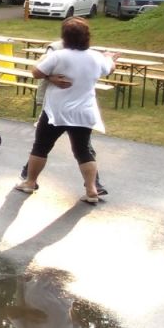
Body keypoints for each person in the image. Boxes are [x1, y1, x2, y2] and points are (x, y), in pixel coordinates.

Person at [15, 17, 117, 204]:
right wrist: (110, 57)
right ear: (87, 36)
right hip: (83, 112)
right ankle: (92, 189)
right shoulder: (96, 57)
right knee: (83, 151)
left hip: (56, 112)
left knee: (41, 147)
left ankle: (30, 182)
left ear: (65, 37)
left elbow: (36, 72)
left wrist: (49, 75)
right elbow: (109, 69)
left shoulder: (58, 55)